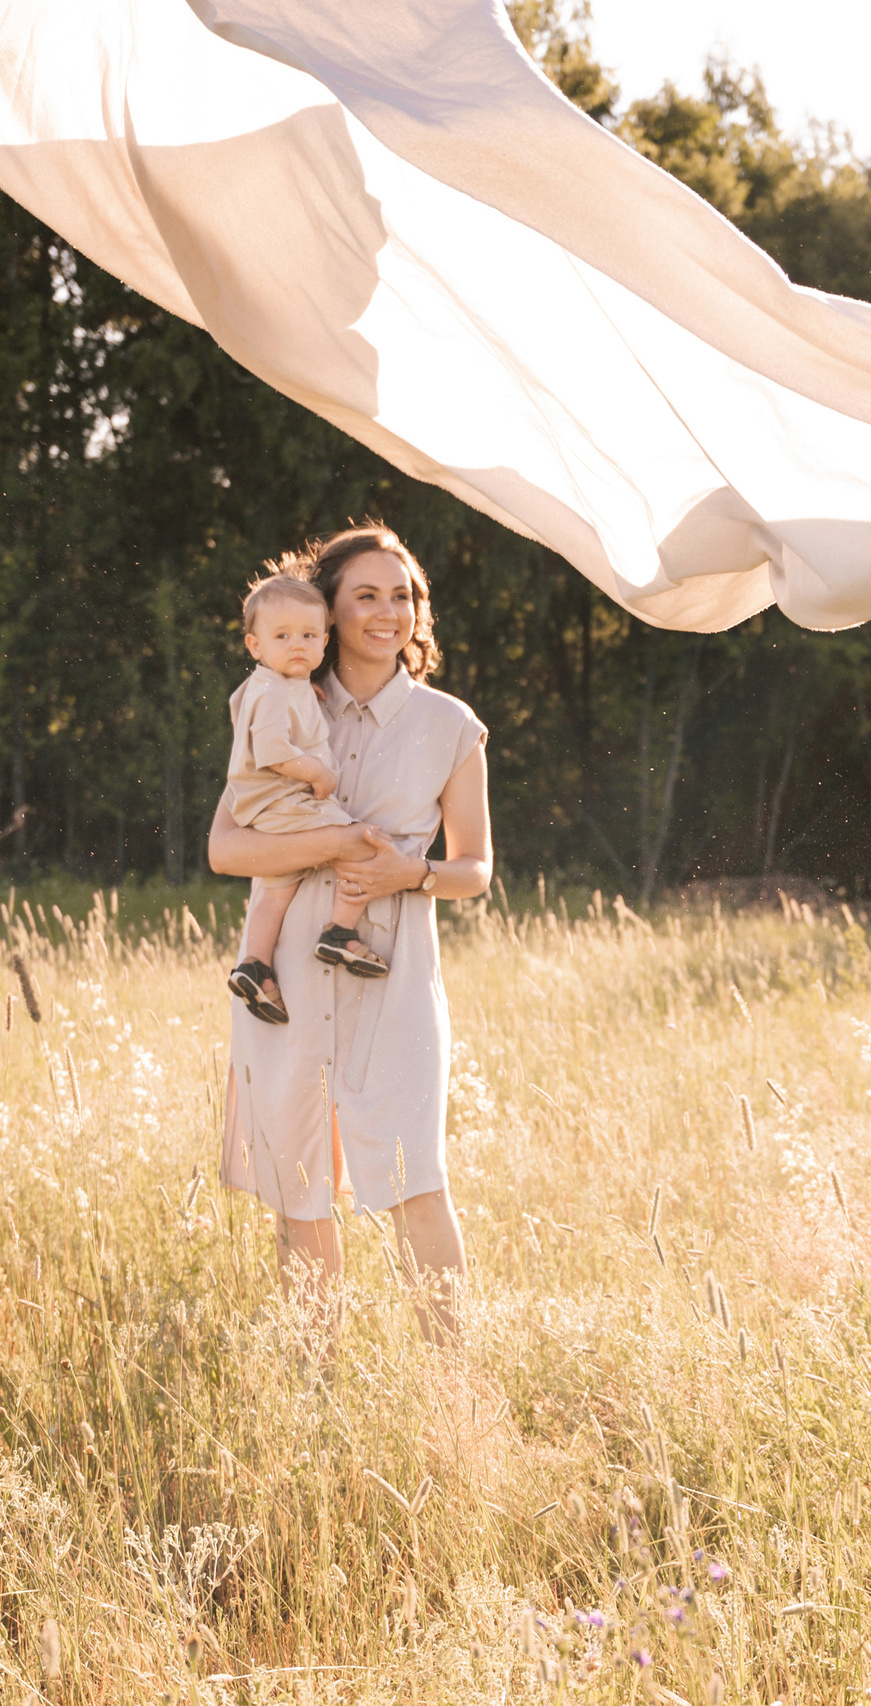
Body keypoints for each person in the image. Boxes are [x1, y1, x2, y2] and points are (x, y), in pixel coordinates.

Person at [208, 524, 492, 1343]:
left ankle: (451, 1384)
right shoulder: (277, 701)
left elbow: (475, 868)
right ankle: (315, 1386)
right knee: (301, 1188)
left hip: (391, 975)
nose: (387, 611)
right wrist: (334, 844)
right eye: (365, 594)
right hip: (287, 975)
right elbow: (227, 848)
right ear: (328, 610)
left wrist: (412, 873)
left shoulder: (449, 725)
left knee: (414, 1181)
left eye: (401, 595)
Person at [224, 568, 390, 1027]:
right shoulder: (277, 693)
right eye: (282, 636)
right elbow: (274, 750)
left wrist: (300, 690)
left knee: (278, 888)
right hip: (285, 800)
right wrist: (316, 772)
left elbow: (247, 706)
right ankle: (339, 931)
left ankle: (254, 966)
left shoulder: (272, 686)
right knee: (361, 843)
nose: (297, 645)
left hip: (262, 808)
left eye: (308, 635)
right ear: (255, 646)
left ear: (323, 643)